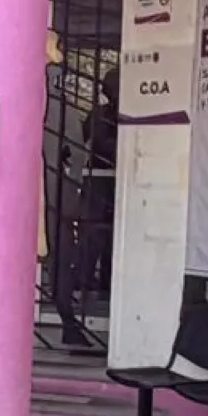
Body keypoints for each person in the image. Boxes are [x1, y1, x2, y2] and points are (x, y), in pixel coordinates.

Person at [59, 69, 118, 351]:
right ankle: (84, 283)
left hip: (118, 185)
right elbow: (87, 144)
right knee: (93, 236)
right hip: (99, 184)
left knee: (113, 239)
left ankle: (105, 283)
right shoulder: (100, 114)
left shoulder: (114, 114)